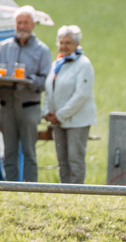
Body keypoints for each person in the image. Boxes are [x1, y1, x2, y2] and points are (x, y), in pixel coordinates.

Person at [0, 5, 51, 182]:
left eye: (26, 22)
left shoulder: (42, 50)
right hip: (7, 106)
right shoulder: (5, 47)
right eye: (19, 22)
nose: (22, 26)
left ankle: (29, 189)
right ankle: (9, 189)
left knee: (29, 152)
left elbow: (45, 82)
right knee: (9, 151)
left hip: (29, 107)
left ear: (33, 24)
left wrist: (29, 79)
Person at [43, 25, 95, 184]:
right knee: (62, 161)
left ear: (76, 44)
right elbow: (49, 89)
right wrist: (47, 112)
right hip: (57, 121)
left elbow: (81, 95)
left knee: (75, 160)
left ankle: (77, 194)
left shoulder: (83, 64)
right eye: (61, 42)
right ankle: (63, 192)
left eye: (68, 43)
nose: (64, 46)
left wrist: (60, 115)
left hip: (76, 121)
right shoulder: (57, 63)